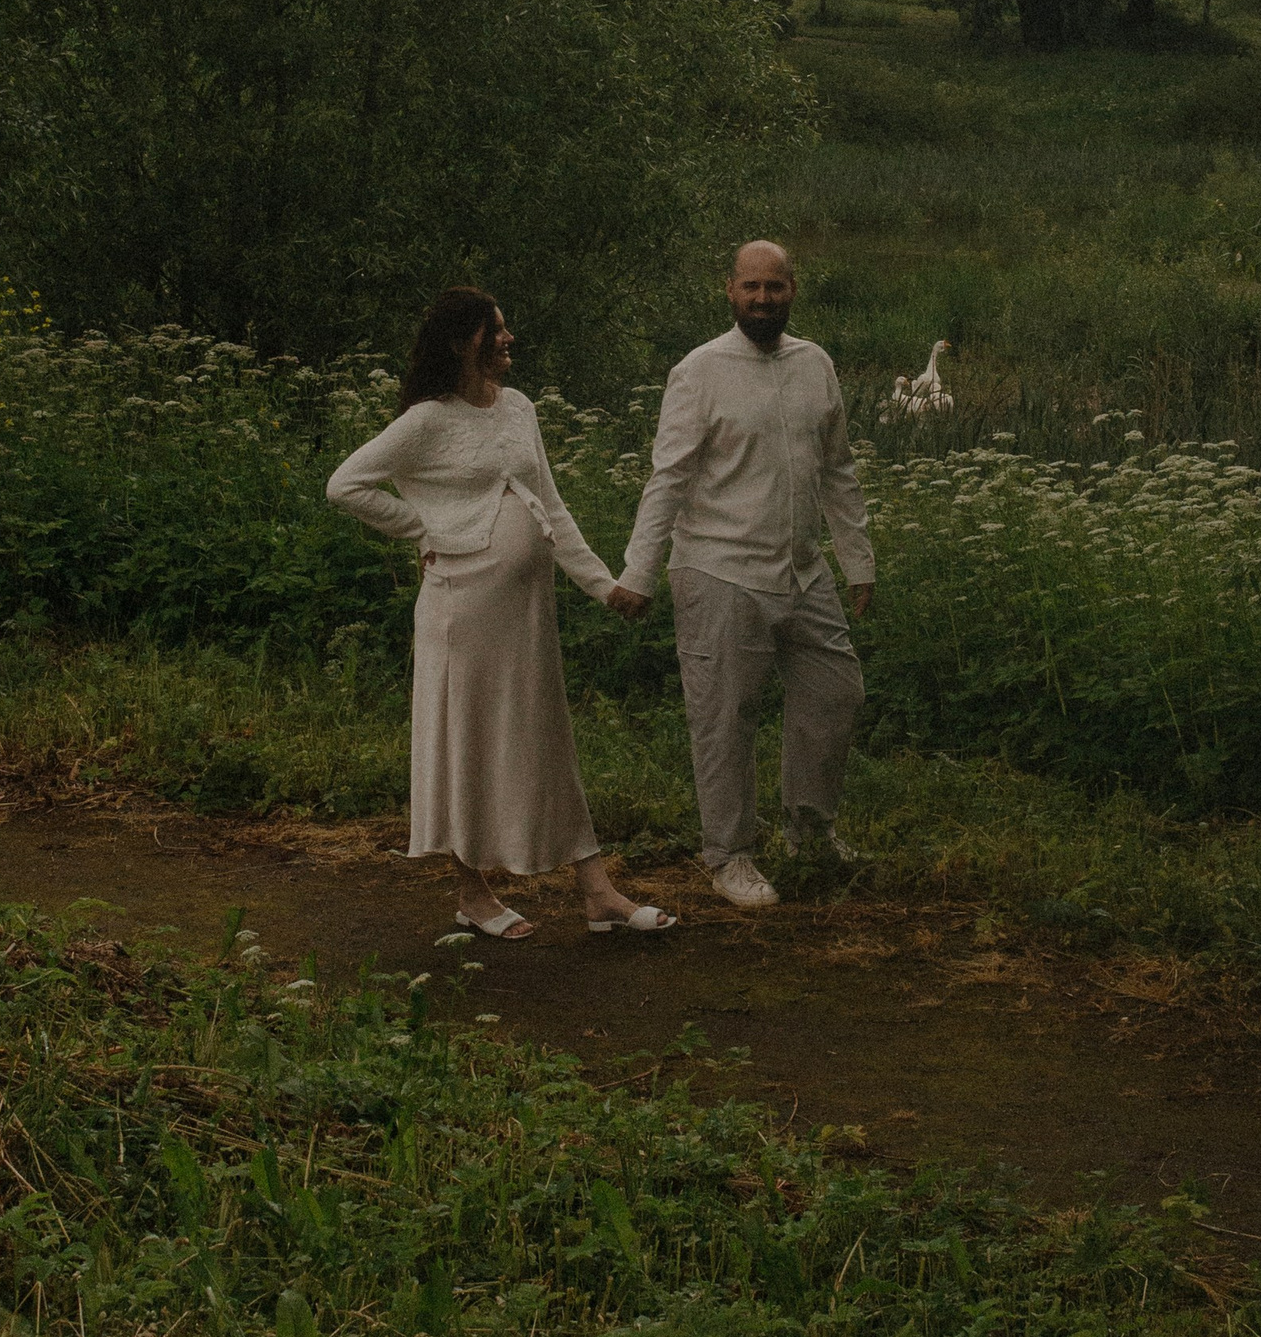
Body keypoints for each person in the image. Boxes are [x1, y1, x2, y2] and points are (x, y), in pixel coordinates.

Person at [326, 286, 673, 942]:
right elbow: (344, 484)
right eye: (498, 330)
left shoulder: (519, 409)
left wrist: (603, 585)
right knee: (470, 740)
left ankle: (596, 892)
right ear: (464, 343)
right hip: (462, 604)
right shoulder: (427, 420)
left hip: (526, 609)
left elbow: (553, 506)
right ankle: (471, 892)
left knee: (545, 733)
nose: (510, 339)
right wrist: (424, 529)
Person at [619, 240, 873, 908]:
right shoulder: (700, 370)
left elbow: (838, 470)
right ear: (729, 291)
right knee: (725, 715)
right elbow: (668, 477)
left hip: (802, 569)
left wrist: (857, 559)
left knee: (836, 693)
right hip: (719, 570)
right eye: (752, 287)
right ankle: (729, 856)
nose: (765, 299)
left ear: (794, 289)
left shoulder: (814, 364)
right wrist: (639, 573)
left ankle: (810, 833)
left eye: (776, 287)